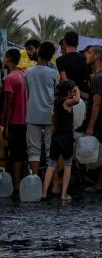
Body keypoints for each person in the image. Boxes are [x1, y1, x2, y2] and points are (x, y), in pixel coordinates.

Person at [41, 81, 80, 201]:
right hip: (66, 139)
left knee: (51, 165)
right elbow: (78, 100)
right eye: (72, 90)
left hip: (56, 138)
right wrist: (78, 90)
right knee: (68, 165)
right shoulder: (67, 102)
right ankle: (64, 195)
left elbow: (53, 124)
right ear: (68, 92)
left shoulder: (56, 103)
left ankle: (43, 193)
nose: (74, 92)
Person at [25, 42, 58, 179]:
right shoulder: (53, 73)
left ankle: (35, 181)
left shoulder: (28, 72)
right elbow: (57, 94)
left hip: (32, 114)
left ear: (38, 53)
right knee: (51, 149)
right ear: (50, 58)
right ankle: (54, 183)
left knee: (34, 150)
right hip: (50, 115)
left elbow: (27, 92)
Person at [84, 45, 102, 192]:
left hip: (100, 119)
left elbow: (96, 104)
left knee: (100, 150)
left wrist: (90, 125)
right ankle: (100, 180)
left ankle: (99, 182)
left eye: (89, 53)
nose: (86, 56)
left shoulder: (100, 76)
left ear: (96, 56)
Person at [2, 48, 28, 194]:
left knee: (16, 154)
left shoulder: (10, 79)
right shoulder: (22, 75)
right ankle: (22, 182)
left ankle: (16, 184)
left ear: (8, 60)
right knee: (22, 153)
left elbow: (9, 105)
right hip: (24, 120)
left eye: (4, 57)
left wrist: (5, 126)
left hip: (14, 121)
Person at [56, 31, 92, 97]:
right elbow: (92, 79)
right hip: (85, 95)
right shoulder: (85, 59)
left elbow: (65, 81)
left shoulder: (60, 60)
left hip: (70, 96)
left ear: (64, 42)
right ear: (77, 43)